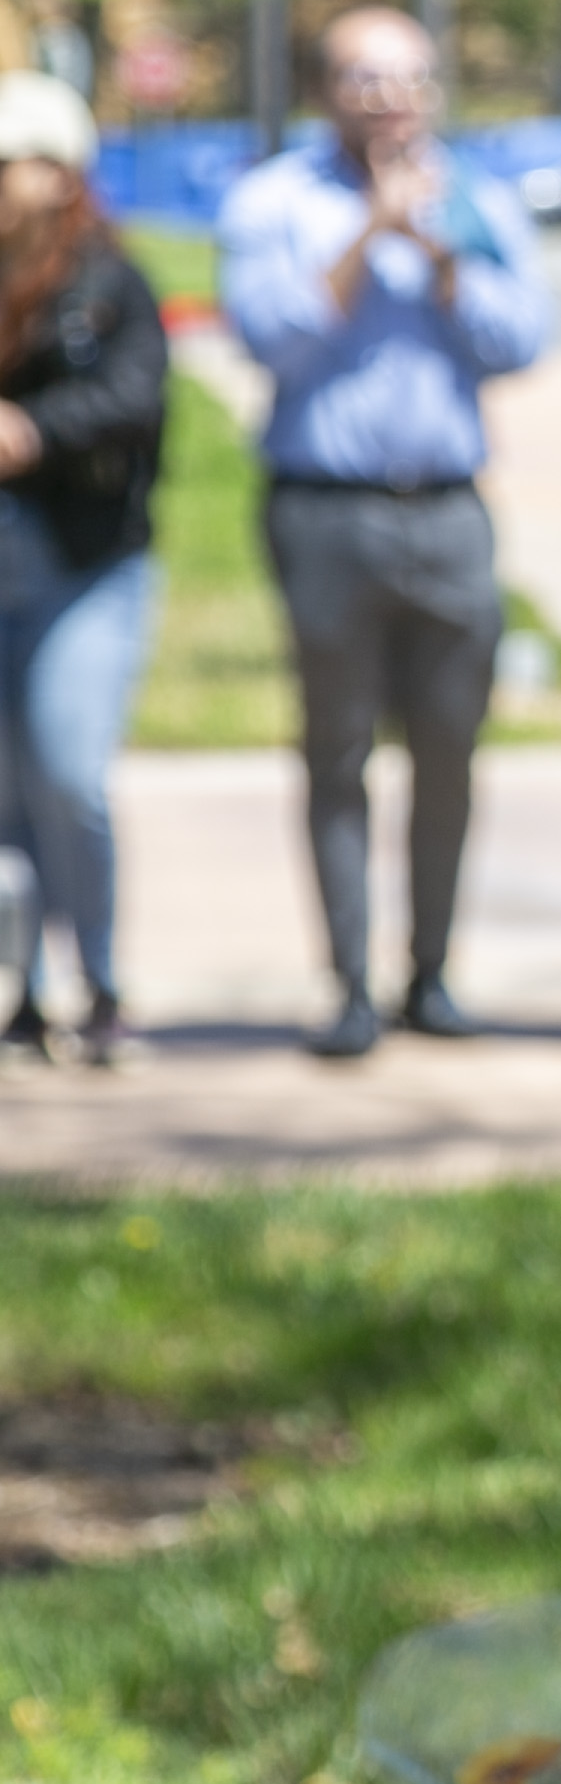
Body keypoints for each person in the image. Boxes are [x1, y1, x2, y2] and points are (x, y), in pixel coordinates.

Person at [220, 9, 551, 1060]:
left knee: (449, 752)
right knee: (338, 752)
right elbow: (272, 338)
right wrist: (368, 230)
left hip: (449, 510)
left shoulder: (479, 201)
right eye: (364, 78)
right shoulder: (276, 200)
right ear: (327, 88)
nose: (388, 98)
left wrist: (440, 255)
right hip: (324, 510)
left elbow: (519, 342)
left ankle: (434, 973)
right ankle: (350, 985)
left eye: (407, 78)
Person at [0, 73, 162, 1071]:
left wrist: (34, 431)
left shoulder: (108, 282)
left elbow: (137, 398)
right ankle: (24, 991)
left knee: (68, 770)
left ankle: (100, 979)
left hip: (88, 566)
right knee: (6, 798)